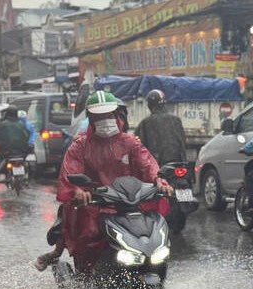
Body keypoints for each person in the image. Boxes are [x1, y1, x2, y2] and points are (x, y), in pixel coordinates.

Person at [33, 90, 172, 273]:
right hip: (95, 204)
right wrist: (78, 190)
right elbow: (70, 171)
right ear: (91, 118)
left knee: (152, 230)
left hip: (127, 202)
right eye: (99, 116)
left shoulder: (130, 143)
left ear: (115, 115)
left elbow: (147, 164)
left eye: (108, 115)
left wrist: (159, 180)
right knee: (87, 230)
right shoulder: (80, 146)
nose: (105, 120)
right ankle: (80, 269)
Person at [135, 89, 187, 165]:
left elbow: (138, 143)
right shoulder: (176, 120)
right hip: (177, 161)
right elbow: (182, 140)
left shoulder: (146, 122)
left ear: (149, 104)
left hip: (156, 163)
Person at [0, 105, 30, 182]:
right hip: (21, 151)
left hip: (7, 151)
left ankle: (2, 174)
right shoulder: (21, 124)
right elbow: (27, 135)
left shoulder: (2, 125)